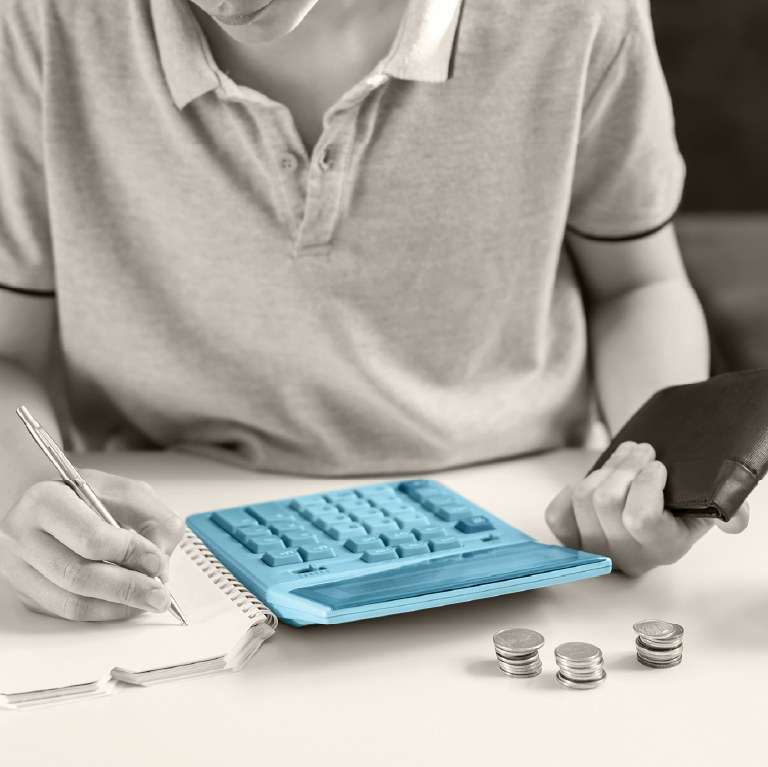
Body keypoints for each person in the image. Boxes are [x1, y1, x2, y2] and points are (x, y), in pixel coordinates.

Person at [0, 0, 748, 622]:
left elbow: (636, 287)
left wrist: (650, 470)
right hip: (175, 543)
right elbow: (11, 357)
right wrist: (29, 495)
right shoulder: (41, 21)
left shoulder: (575, 15)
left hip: (520, 528)